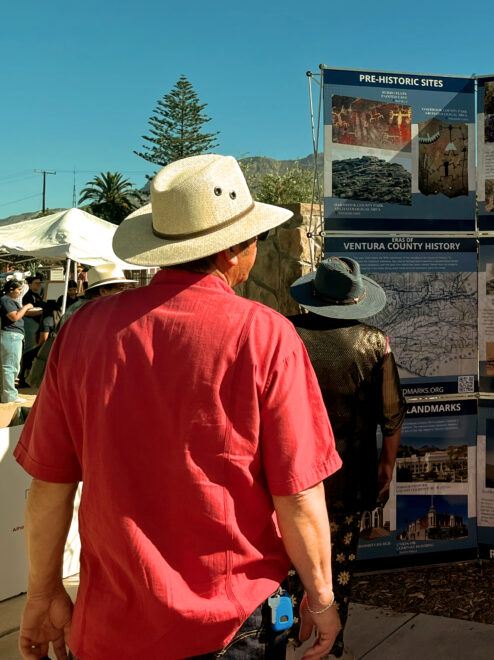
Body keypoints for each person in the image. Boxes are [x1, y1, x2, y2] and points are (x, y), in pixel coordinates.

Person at [15, 154, 344, 660]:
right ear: (234, 250)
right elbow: (298, 496)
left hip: (110, 628)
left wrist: (42, 592)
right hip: (233, 626)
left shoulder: (82, 331)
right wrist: (321, 598)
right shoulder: (265, 335)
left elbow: (49, 487)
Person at [288, 256, 407, 659]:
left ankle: (283, 642)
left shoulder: (285, 333)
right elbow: (392, 415)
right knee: (336, 569)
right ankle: (328, 646)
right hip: (349, 479)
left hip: (291, 478)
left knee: (287, 568)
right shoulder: (375, 343)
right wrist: (385, 467)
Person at [1, 279, 35, 403]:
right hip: (11, 335)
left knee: (13, 366)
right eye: (19, 290)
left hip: (14, 336)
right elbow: (14, 316)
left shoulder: (9, 300)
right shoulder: (6, 300)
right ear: (11, 290)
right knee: (10, 367)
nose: (20, 293)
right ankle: (10, 395)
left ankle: (9, 394)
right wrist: (25, 307)